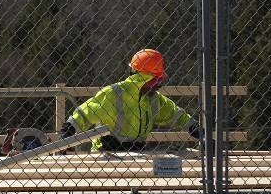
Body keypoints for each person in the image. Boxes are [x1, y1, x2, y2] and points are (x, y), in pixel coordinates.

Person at [59, 49, 203, 152]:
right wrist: (67, 133)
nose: (159, 85)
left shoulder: (153, 99)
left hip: (138, 155)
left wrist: (200, 133)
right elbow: (85, 113)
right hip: (107, 154)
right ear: (142, 79)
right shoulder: (114, 94)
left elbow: (177, 115)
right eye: (155, 80)